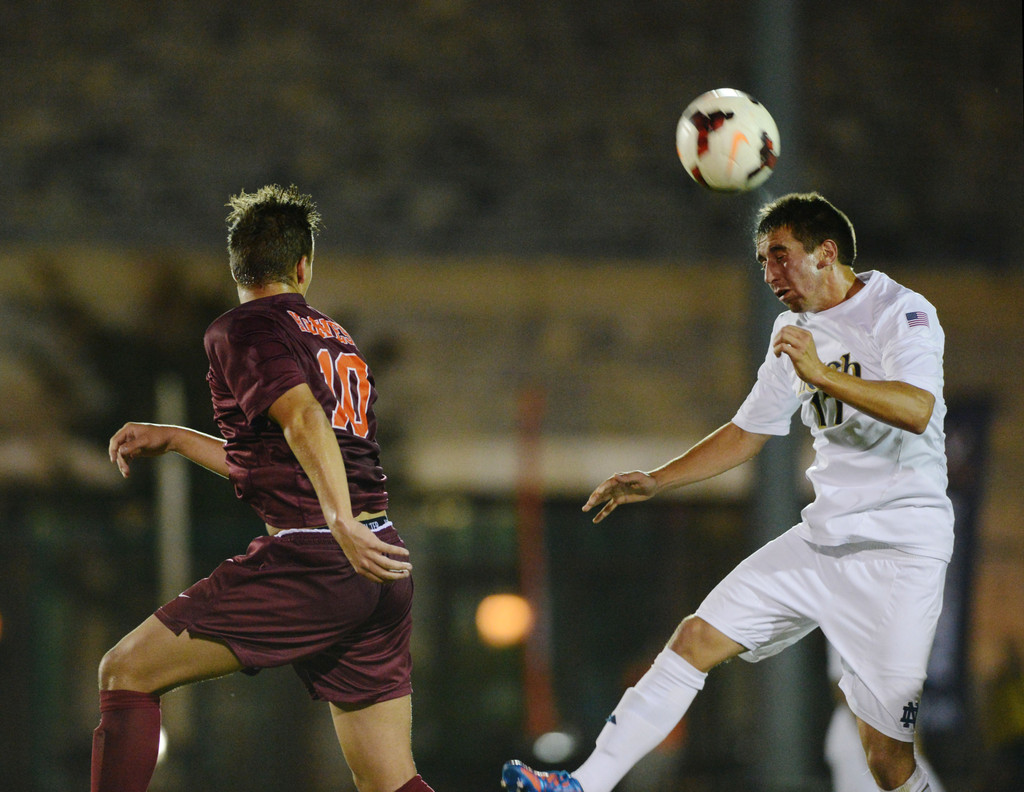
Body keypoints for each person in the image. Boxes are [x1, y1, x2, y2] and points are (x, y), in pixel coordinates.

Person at [502, 192, 952, 792]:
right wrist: (658, 479)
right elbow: (749, 431)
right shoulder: (793, 329)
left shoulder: (902, 311)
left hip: (899, 551)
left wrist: (820, 375)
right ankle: (584, 784)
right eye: (763, 260)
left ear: (826, 253)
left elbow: (918, 409)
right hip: (823, 541)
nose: (769, 274)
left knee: (885, 759)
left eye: (780, 256)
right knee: (694, 639)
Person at [92, 184, 435, 792]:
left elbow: (303, 421)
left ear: (236, 266)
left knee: (124, 672)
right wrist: (174, 438)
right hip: (381, 562)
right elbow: (289, 460)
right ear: (302, 266)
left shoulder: (244, 327)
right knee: (390, 782)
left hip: (321, 553)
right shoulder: (335, 338)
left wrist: (336, 523)